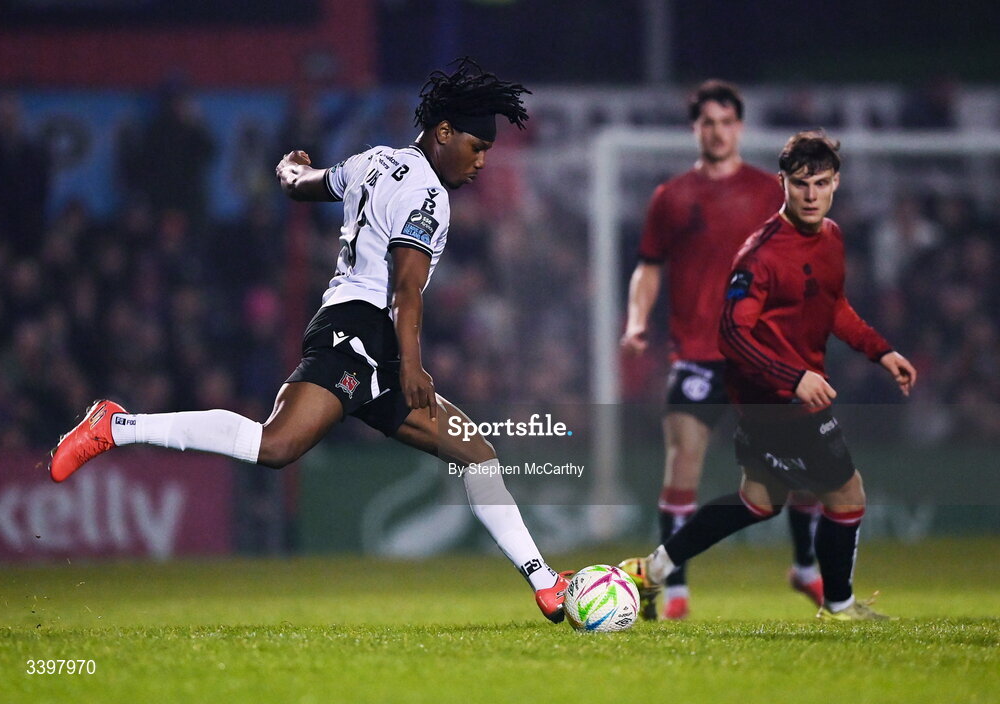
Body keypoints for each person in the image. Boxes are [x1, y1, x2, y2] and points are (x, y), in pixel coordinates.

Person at [49, 59, 570, 623]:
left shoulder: (373, 161)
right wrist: (413, 365)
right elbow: (406, 287)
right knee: (275, 446)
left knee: (476, 453)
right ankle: (116, 425)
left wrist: (288, 168)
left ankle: (546, 584)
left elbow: (302, 185)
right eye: (476, 146)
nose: (481, 161)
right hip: (364, 331)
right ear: (444, 131)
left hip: (364, 332)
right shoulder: (428, 196)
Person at [621, 131, 918, 620]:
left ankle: (652, 570)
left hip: (789, 395)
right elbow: (731, 336)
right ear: (782, 183)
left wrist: (880, 351)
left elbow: (834, 306)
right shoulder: (759, 256)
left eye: (820, 183)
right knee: (848, 493)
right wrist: (794, 376)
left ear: (835, 183)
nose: (810, 194)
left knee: (758, 500)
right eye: (800, 183)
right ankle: (839, 606)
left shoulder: (832, 237)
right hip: (775, 402)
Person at [621, 80, 824, 620]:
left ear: (739, 126)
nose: (717, 130)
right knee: (682, 464)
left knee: (804, 468)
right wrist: (637, 321)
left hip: (759, 357)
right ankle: (675, 591)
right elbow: (648, 266)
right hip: (695, 353)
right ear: (696, 128)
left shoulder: (768, 193)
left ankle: (806, 566)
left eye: (726, 121)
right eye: (707, 121)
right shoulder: (672, 196)